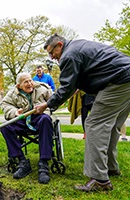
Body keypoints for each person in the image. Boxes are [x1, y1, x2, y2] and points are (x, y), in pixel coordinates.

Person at [34, 33, 130, 192]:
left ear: (60, 45)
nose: (52, 57)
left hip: (118, 81)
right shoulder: (77, 46)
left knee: (94, 124)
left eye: (52, 52)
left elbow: (65, 87)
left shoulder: (69, 55)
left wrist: (47, 105)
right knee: (112, 125)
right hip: (126, 76)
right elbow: (84, 74)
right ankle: (111, 167)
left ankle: (100, 179)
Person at [0, 72, 54, 184]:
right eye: (26, 82)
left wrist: (46, 106)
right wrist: (15, 112)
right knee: (5, 127)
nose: (30, 84)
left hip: (39, 117)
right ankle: (22, 161)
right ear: (19, 85)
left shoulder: (42, 88)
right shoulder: (12, 93)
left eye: (30, 80)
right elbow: (5, 105)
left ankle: (43, 164)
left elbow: (54, 99)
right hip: (23, 119)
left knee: (45, 120)